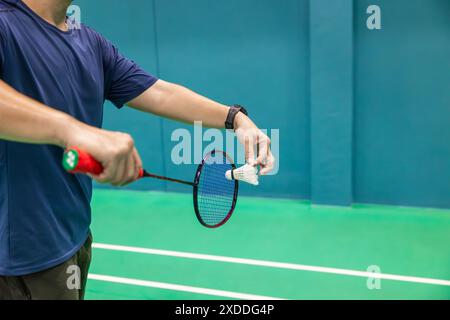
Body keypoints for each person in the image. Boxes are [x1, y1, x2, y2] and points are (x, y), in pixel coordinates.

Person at [0, 0, 275, 300]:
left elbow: (158, 93)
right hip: (23, 256)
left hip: (75, 235)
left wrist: (236, 119)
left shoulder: (89, 42)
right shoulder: (6, 22)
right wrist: (72, 131)